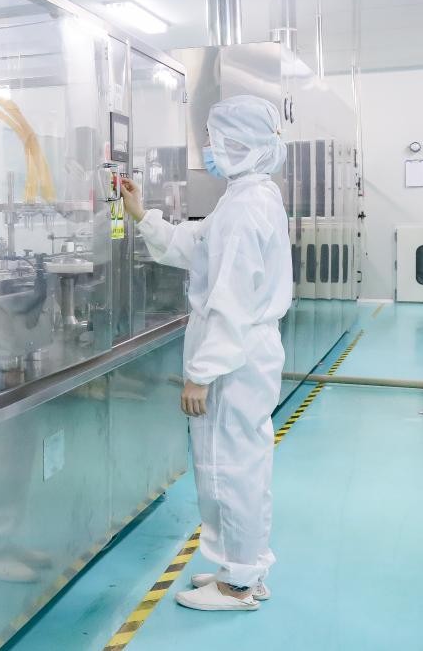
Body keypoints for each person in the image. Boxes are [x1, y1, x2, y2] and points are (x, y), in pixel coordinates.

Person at [120, 94, 292, 612]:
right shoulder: (248, 196)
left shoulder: (245, 208)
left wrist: (202, 373)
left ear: (240, 143)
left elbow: (230, 299)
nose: (209, 149)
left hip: (234, 358)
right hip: (244, 352)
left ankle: (238, 584)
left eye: (214, 140)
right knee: (235, 463)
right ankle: (241, 568)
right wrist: (142, 216)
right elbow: (195, 244)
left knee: (229, 467)